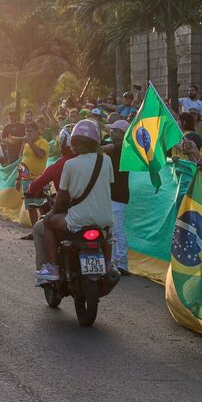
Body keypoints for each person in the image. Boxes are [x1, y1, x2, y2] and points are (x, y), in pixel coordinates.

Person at [36, 119, 115, 282]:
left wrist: (52, 213)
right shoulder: (106, 161)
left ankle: (53, 268)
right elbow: (108, 187)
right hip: (104, 219)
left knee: (47, 223)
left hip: (77, 220)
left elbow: (62, 196)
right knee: (108, 232)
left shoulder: (70, 165)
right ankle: (108, 264)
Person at [29, 124, 78, 270]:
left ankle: (49, 267)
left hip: (70, 215)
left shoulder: (60, 165)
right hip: (97, 215)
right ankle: (108, 264)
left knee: (40, 227)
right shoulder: (99, 162)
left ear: (62, 143)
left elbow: (34, 187)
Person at [102, 120, 131, 275]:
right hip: (111, 193)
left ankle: (122, 264)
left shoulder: (123, 146)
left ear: (122, 133)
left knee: (118, 230)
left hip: (119, 194)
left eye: (114, 131)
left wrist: (94, 149)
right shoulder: (114, 145)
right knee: (111, 230)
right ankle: (112, 262)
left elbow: (107, 147)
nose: (111, 133)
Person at [19, 122, 50, 231]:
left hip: (39, 179)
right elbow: (23, 160)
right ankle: (35, 231)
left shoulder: (43, 142)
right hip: (26, 179)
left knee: (41, 205)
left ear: (37, 131)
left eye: (30, 131)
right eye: (26, 131)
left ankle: (45, 230)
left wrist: (31, 143)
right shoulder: (27, 144)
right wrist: (18, 178)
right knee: (31, 206)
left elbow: (41, 154)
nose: (28, 133)